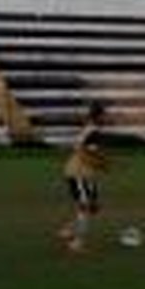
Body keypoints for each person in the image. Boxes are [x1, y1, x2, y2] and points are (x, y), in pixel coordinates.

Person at [57, 102, 111, 253]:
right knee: (85, 206)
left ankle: (68, 230)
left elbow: (89, 151)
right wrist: (103, 164)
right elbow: (85, 153)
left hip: (87, 173)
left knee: (93, 207)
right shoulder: (93, 132)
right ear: (98, 116)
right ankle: (77, 242)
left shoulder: (91, 129)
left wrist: (103, 163)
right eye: (104, 115)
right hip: (79, 172)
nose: (106, 118)